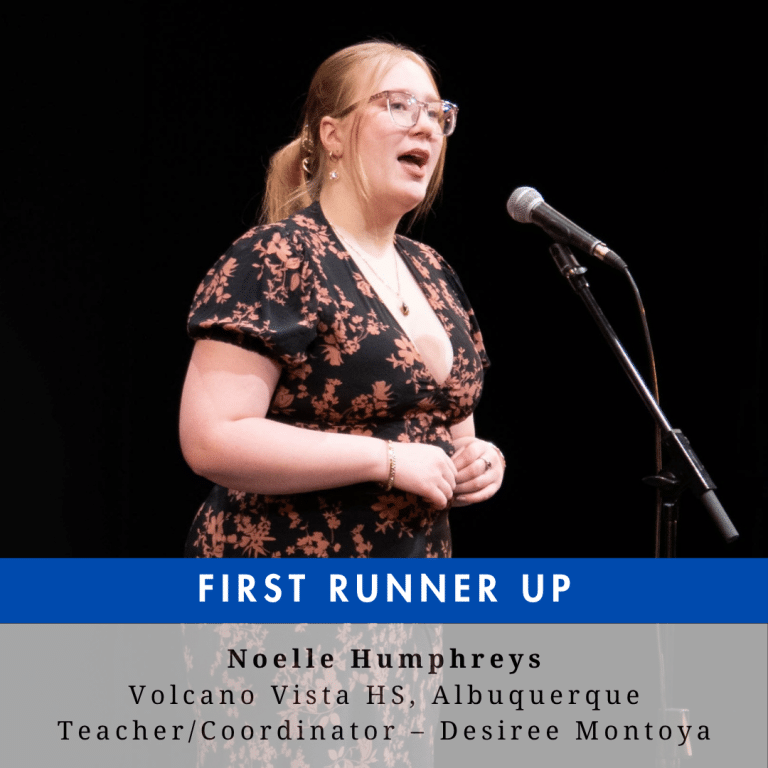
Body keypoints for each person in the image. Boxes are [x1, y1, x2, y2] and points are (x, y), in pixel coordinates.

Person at [180, 41, 504, 559]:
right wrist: (389, 461)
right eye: (399, 105)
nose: (426, 126)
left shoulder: (433, 270)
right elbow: (212, 438)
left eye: (438, 113)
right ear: (332, 135)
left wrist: (477, 460)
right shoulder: (278, 256)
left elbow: (449, 428)